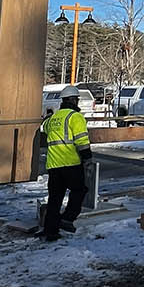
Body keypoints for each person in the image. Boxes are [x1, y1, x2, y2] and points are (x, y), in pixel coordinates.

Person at [37, 87, 92, 242]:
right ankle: (67, 218)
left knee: (55, 199)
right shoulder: (75, 117)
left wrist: (47, 117)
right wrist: (87, 158)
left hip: (54, 165)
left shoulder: (54, 118)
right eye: (77, 99)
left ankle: (50, 231)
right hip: (71, 162)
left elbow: (44, 127)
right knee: (79, 191)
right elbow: (82, 141)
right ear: (73, 100)